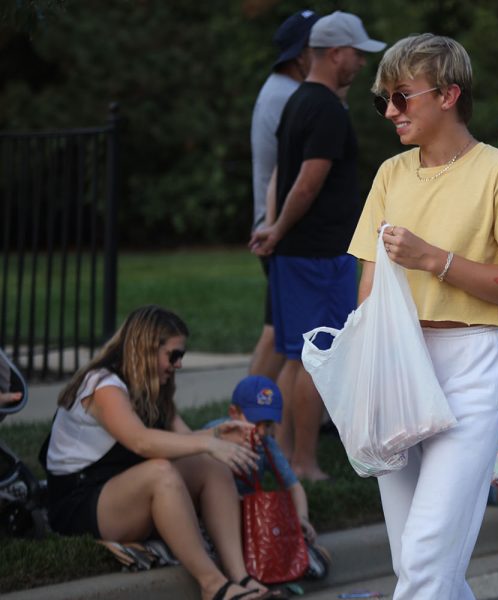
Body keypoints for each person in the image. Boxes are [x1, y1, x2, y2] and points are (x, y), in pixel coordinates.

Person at [348, 34, 498, 599]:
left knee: (427, 556)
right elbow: (369, 288)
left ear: (448, 94)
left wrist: (433, 259)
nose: (390, 111)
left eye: (401, 97)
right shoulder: (390, 174)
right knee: (412, 556)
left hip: (470, 367)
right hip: (397, 363)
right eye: (382, 99)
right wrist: (367, 368)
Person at [42, 306, 268, 600]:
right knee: (161, 473)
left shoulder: (153, 386)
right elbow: (141, 442)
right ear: (146, 350)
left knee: (210, 467)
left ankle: (240, 576)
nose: (179, 364)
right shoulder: (102, 385)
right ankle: (213, 585)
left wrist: (216, 435)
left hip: (121, 488)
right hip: (80, 502)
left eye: (181, 356)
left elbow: (182, 441)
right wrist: (208, 443)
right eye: (174, 355)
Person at [249, 11, 385, 481]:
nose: (362, 63)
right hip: (319, 254)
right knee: (319, 356)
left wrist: (273, 228)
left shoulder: (296, 100)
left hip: (295, 254)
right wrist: (280, 227)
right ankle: (305, 462)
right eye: (357, 54)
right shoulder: (324, 108)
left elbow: (279, 177)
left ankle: (287, 453)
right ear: (335, 53)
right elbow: (307, 183)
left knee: (295, 354)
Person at [247, 9, 320, 382]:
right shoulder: (289, 97)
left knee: (281, 332)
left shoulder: (282, 91)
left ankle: (260, 422)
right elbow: (289, 174)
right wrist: (276, 229)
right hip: (282, 232)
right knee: (280, 336)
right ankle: (244, 418)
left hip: (278, 227)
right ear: (302, 53)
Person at [204, 375, 317, 542]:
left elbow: (294, 486)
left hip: (249, 516)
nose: (262, 432)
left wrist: (302, 518)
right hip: (212, 511)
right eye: (256, 423)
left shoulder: (266, 445)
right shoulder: (214, 435)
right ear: (234, 413)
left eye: (268, 425)